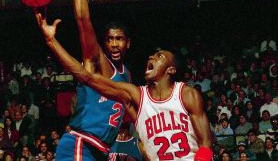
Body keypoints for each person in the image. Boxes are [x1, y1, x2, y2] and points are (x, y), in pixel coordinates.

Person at [34, 14, 213, 160]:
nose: (151, 58)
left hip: (100, 149)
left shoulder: (187, 94)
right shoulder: (135, 94)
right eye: (151, 56)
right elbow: (85, 75)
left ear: (171, 69)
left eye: (159, 56)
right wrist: (52, 42)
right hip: (86, 142)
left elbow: (205, 143)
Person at [45, 0, 131, 160]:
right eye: (110, 39)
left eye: (119, 39)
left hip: (99, 150)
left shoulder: (126, 74)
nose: (114, 44)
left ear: (128, 43)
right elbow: (84, 20)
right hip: (81, 143)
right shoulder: (98, 63)